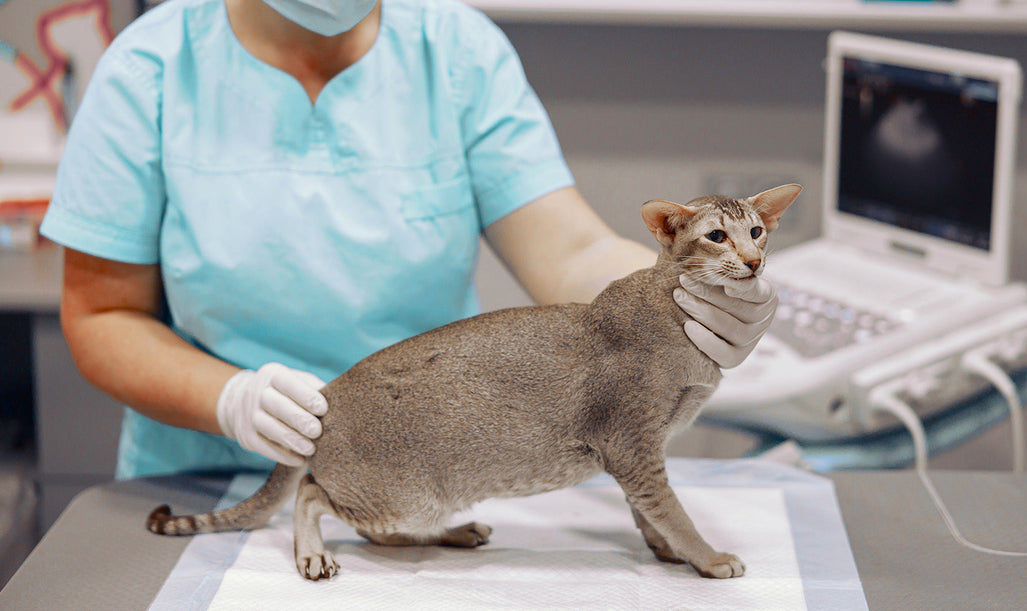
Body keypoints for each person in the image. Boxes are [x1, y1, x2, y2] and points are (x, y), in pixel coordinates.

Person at [40, 0, 777, 479]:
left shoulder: (456, 52)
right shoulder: (151, 68)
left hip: (432, 463)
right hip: (208, 471)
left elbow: (572, 252)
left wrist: (681, 297)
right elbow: (104, 315)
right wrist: (231, 400)